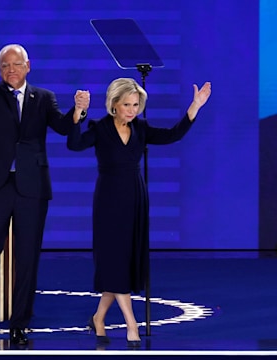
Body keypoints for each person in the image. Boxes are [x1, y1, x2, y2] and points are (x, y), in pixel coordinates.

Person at [0, 21, 90, 345]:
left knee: (27, 257)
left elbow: (61, 126)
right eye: (5, 65)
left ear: (28, 66)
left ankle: (19, 324)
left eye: (17, 64)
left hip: (32, 187)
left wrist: (78, 113)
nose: (11, 69)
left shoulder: (43, 97)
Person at [66, 78, 212, 347]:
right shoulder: (99, 129)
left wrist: (195, 106)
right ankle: (131, 326)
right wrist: (77, 114)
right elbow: (74, 145)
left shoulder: (141, 129)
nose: (132, 110)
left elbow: (172, 135)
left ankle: (99, 318)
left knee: (121, 263)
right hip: (109, 200)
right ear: (114, 105)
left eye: (136, 105)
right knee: (114, 260)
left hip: (135, 197)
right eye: (126, 105)